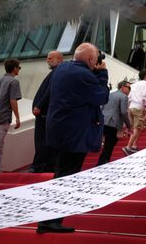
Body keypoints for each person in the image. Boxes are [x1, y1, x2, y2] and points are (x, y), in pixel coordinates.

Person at [38, 42, 109, 234]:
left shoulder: (62, 69)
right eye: (95, 60)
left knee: (61, 172)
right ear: (90, 59)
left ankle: (48, 218)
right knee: (66, 176)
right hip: (74, 134)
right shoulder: (85, 75)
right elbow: (102, 97)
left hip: (58, 130)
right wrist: (102, 74)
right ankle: (51, 220)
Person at [29, 51, 63, 173]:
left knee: (42, 141)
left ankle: (39, 166)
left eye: (50, 58)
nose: (47, 60)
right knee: (43, 141)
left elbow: (50, 91)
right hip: (44, 113)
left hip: (44, 113)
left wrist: (39, 106)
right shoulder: (56, 72)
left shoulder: (58, 72)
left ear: (59, 59)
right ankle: (44, 165)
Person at [0, 59, 21, 172]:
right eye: (19, 68)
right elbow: (12, 100)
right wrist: (17, 117)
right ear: (15, 69)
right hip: (3, 117)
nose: (19, 70)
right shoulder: (13, 82)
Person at [98, 81, 131, 165]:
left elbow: (102, 106)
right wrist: (128, 125)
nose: (130, 90)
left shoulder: (110, 94)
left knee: (109, 142)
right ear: (122, 87)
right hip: (112, 122)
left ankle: (103, 161)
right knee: (109, 144)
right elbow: (124, 112)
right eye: (128, 88)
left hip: (103, 120)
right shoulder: (124, 97)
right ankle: (103, 162)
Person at [124, 69, 146, 154]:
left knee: (136, 127)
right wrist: (145, 107)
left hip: (131, 107)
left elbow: (129, 96)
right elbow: (145, 96)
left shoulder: (134, 84)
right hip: (139, 107)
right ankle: (128, 147)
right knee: (138, 127)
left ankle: (134, 145)